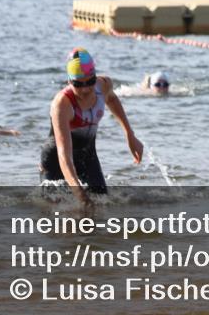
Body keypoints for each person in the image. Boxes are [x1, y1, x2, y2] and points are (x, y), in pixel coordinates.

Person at [40, 48, 144, 205]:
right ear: (69, 81)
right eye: (78, 84)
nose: (85, 89)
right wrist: (80, 194)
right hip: (56, 161)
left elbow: (112, 100)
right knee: (56, 215)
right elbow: (64, 157)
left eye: (89, 81)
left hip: (87, 156)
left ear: (95, 77)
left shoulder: (103, 85)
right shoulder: (62, 105)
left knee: (101, 204)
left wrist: (129, 134)